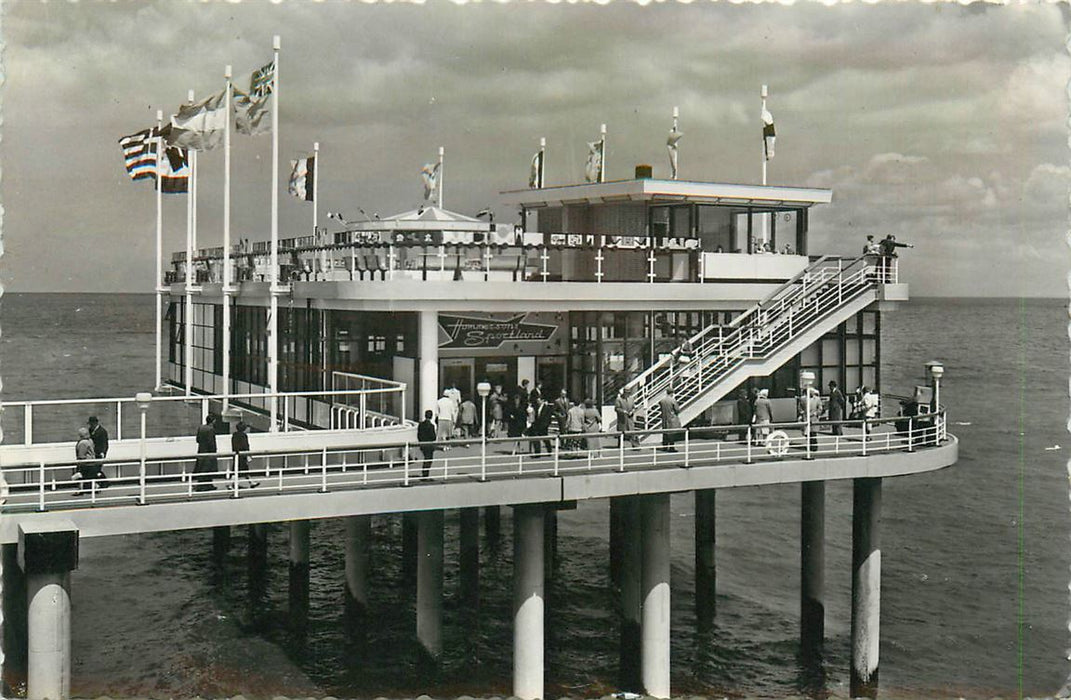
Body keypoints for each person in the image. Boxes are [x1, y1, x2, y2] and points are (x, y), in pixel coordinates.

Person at [230, 421, 259, 489]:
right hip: (242, 455)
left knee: (236, 470)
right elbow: (245, 446)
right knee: (243, 470)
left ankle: (250, 482)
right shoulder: (243, 436)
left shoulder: (234, 435)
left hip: (236, 454)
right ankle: (232, 485)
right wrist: (248, 455)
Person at [194, 413, 218, 491]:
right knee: (208, 469)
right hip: (208, 453)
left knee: (201, 468)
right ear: (213, 421)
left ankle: (202, 484)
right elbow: (211, 443)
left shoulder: (201, 428)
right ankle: (206, 485)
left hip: (201, 451)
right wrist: (214, 452)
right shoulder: (211, 429)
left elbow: (197, 440)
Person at [71, 426, 99, 496]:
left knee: (81, 476)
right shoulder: (90, 441)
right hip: (91, 462)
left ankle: (81, 489)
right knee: (89, 476)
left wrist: (78, 464)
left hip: (85, 463)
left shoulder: (82, 443)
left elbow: (81, 455)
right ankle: (95, 487)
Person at [86, 415, 110, 488]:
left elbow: (105, 443)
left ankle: (104, 482)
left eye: (91, 423)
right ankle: (102, 482)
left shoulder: (102, 431)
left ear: (95, 423)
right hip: (93, 452)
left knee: (97, 468)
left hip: (100, 453)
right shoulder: (90, 430)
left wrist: (103, 452)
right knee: (94, 468)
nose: (91, 425)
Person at [658, 387, 681, 452]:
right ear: (672, 393)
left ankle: (665, 446)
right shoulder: (673, 400)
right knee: (671, 433)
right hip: (671, 418)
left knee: (665, 432)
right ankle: (671, 447)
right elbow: (677, 410)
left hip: (664, 418)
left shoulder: (662, 400)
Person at [417, 409, 437, 479]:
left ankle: (425, 474)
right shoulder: (431, 426)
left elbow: (419, 435)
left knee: (426, 459)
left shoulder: (420, 425)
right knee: (429, 460)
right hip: (429, 445)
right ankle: (425, 475)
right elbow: (433, 437)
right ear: (431, 416)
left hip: (423, 444)